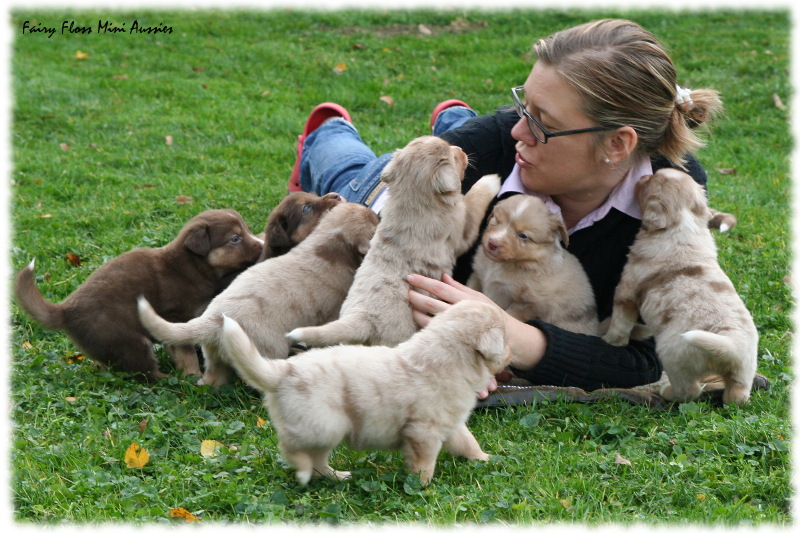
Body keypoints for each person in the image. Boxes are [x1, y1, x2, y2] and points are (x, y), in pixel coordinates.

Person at [287, 18, 723, 398]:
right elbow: (389, 275)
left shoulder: (672, 200)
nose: (520, 130)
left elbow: (646, 358)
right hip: (406, 189)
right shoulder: (494, 145)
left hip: (472, 158)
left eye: (542, 123)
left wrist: (515, 337)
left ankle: (453, 116)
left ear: (618, 144)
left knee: (476, 138)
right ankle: (327, 132)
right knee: (349, 177)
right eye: (523, 106)